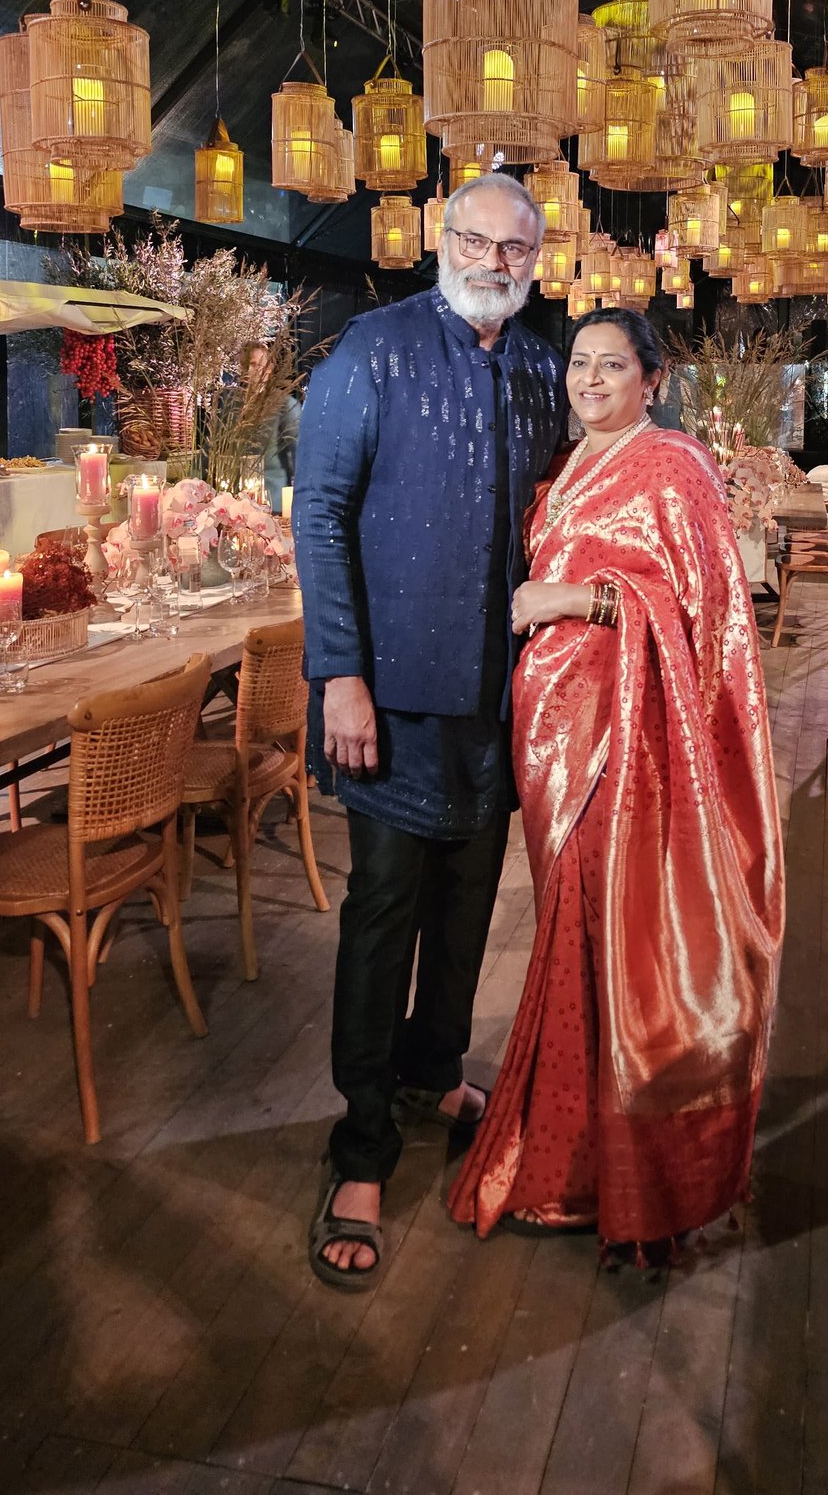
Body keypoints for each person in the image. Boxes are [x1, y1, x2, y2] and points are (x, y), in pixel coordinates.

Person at [449, 308, 784, 1252]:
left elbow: (702, 607)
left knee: (603, 933)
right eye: (579, 364)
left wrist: (571, 597)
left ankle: (595, 1171)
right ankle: (576, 1142)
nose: (589, 380)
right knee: (571, 925)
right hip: (548, 731)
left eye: (611, 365)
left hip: (625, 732)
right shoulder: (562, 466)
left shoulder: (675, 466)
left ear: (652, 379)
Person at [292, 175, 564, 1290]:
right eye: (475, 239)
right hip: (391, 697)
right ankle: (360, 1145)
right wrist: (339, 676)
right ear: (440, 241)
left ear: (536, 258)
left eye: (515, 247)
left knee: (467, 907)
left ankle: (433, 1070)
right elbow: (317, 513)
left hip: (499, 697)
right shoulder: (375, 348)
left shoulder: (542, 366)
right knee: (384, 913)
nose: (494, 260)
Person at [241, 341, 301, 512]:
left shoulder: (285, 404)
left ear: (269, 369)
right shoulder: (232, 406)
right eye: (247, 365)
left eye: (256, 365)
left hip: (273, 504)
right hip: (236, 505)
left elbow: (300, 456)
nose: (250, 370)